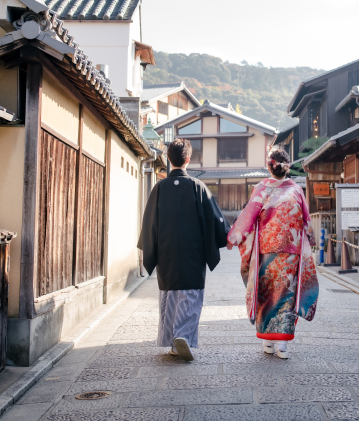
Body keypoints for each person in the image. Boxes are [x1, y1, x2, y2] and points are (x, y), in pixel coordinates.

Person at [137, 138, 230, 361]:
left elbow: (149, 222)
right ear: (188, 159)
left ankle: (172, 342)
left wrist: (147, 251)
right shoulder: (198, 187)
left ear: (168, 159)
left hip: (167, 254)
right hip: (193, 254)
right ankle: (184, 337)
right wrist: (227, 236)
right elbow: (215, 220)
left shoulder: (159, 188)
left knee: (169, 297)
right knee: (190, 295)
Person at [226, 149, 319, 359]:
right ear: (287, 168)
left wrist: (234, 238)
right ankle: (282, 345)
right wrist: (311, 241)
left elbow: (248, 215)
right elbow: (306, 221)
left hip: (266, 249)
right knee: (286, 294)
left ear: (270, 167)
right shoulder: (296, 190)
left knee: (267, 294)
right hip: (291, 252)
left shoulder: (262, 188)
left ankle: (268, 340)